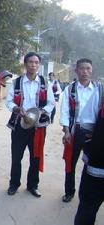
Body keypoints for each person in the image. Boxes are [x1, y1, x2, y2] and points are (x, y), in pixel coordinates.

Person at [6, 52, 55, 198]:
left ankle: (32, 185)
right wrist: (16, 108)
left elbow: (51, 103)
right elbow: (9, 101)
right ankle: (14, 184)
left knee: (35, 157)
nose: (33, 65)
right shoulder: (16, 82)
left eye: (36, 62)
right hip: (20, 125)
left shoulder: (45, 83)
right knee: (16, 157)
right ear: (25, 64)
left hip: (38, 126)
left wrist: (41, 111)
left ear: (38, 65)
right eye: (30, 62)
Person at [60, 58, 102, 203]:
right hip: (75, 131)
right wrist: (66, 131)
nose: (85, 72)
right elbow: (65, 111)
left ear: (92, 70)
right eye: (82, 69)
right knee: (70, 163)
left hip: (93, 133)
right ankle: (69, 191)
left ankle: (88, 194)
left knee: (92, 164)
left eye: (88, 68)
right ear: (76, 70)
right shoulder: (70, 89)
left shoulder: (99, 89)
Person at [74, 88, 104, 225]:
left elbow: (86, 124)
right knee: (87, 210)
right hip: (98, 169)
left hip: (98, 168)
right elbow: (86, 125)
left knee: (87, 209)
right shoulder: (101, 92)